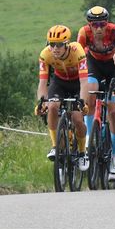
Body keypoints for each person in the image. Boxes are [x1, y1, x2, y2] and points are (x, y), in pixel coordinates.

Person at [36, 25, 90, 171]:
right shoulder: (45, 54)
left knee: (78, 119)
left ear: (67, 44)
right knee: (52, 107)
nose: (55, 48)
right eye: (52, 44)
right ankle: (55, 146)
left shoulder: (77, 51)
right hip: (59, 83)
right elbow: (42, 83)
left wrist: (82, 102)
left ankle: (82, 152)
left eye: (59, 45)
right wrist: (42, 101)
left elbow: (84, 82)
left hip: (77, 83)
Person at [77, 6, 115, 179]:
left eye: (102, 24)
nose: (99, 28)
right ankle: (88, 136)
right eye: (95, 25)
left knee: (112, 108)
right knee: (91, 94)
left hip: (113, 67)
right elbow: (78, 57)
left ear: (107, 23)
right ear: (89, 25)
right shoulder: (83, 33)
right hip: (94, 65)